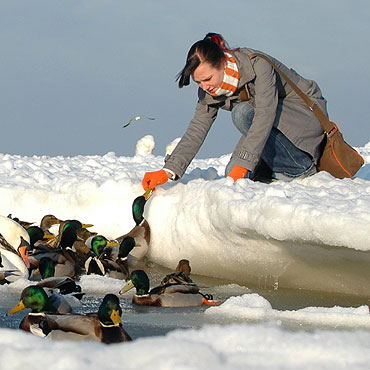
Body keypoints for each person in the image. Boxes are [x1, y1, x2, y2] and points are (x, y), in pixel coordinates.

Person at [142, 32, 328, 190]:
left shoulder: (257, 65)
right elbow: (197, 129)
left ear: (223, 62)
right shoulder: (209, 92)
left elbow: (264, 114)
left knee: (242, 114)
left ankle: (300, 167)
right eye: (198, 82)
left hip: (304, 120)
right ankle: (278, 171)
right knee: (232, 174)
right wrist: (168, 171)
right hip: (271, 127)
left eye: (207, 79)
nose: (205, 87)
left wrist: (244, 164)